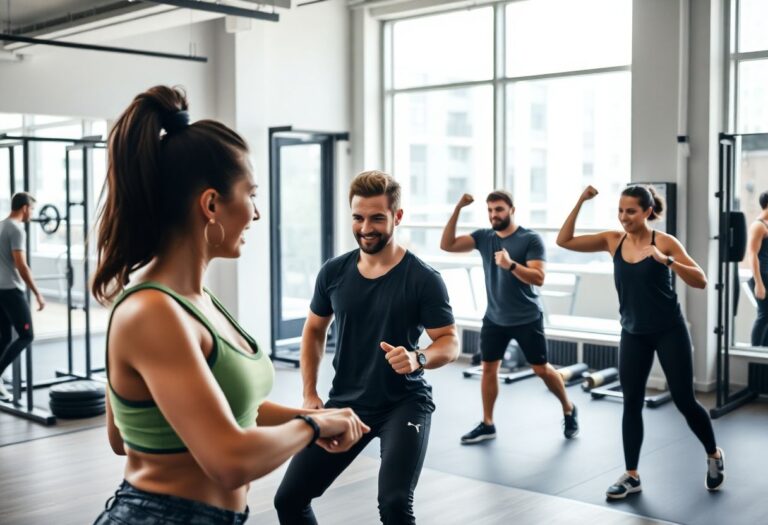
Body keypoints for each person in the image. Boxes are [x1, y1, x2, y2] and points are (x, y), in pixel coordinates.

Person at [92, 86, 369, 525]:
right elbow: (228, 461)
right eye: (251, 194)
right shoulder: (151, 313)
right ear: (212, 204)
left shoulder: (200, 303)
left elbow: (235, 409)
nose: (257, 213)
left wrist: (312, 413)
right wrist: (313, 428)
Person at [274, 170, 459, 525]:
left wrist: (418, 358)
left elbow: (449, 341)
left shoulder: (423, 278)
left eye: (377, 217)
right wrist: (309, 393)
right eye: (358, 217)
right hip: (346, 403)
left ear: (397, 217)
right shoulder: (334, 272)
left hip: (403, 403)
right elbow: (314, 329)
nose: (366, 227)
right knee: (289, 499)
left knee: (393, 504)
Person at [556, 184, 725, 499]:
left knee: (684, 400)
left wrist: (666, 261)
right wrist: (580, 200)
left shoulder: (664, 242)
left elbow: (700, 280)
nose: (624, 217)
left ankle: (713, 453)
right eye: (620, 211)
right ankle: (632, 475)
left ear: (648, 212)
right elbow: (563, 240)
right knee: (631, 402)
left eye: (630, 211)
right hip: (633, 332)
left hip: (668, 331)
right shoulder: (613, 240)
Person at [440, 191, 579, 444]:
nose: (494, 215)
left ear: (512, 210)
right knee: (488, 369)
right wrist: (458, 208)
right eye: (490, 210)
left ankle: (568, 409)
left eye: (499, 209)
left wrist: (511, 265)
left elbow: (539, 278)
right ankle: (487, 423)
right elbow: (447, 245)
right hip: (494, 317)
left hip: (526, 317)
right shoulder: (484, 237)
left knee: (541, 369)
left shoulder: (530, 239)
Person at [0, 192, 45, 402]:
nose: (32, 214)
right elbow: (21, 265)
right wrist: (37, 293)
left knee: (5, 338)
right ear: (25, 208)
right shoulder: (17, 229)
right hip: (11, 290)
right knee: (27, 335)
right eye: (33, 209)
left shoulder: (1, 225)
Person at [747, 191, 768, 346]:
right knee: (764, 315)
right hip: (762, 277)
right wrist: (758, 283)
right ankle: (755, 352)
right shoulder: (758, 226)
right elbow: (752, 254)